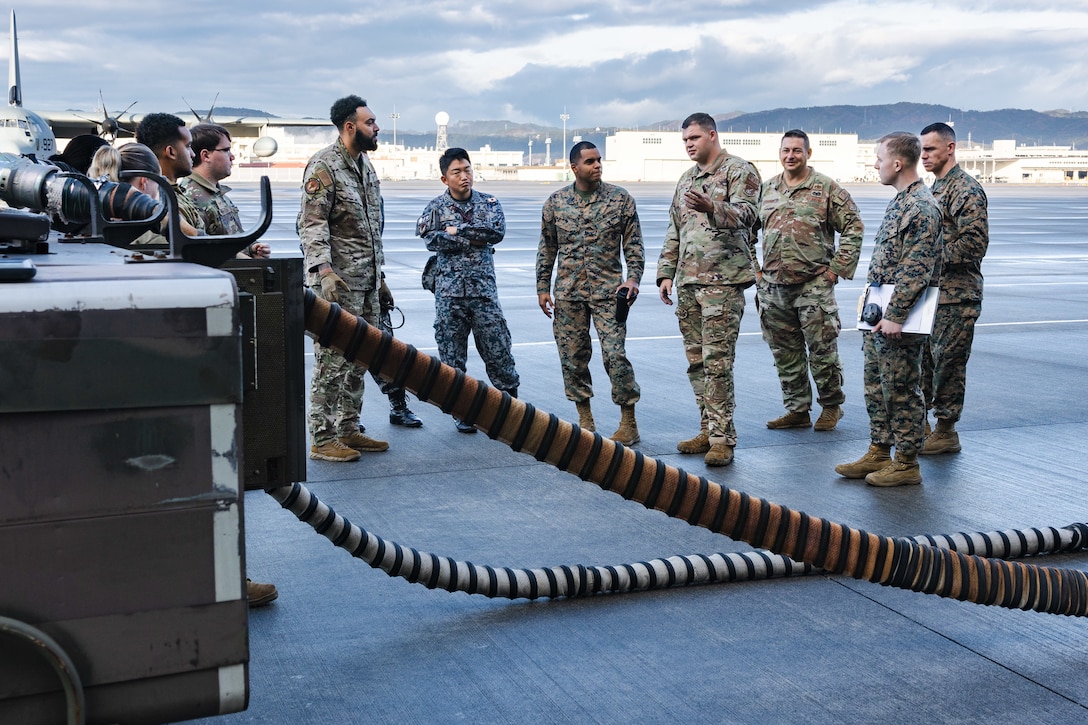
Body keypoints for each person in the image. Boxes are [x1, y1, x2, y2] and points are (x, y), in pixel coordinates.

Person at [835, 132, 942, 487]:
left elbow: (917, 268)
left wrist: (896, 315)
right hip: (880, 315)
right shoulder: (901, 201)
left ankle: (907, 462)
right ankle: (880, 450)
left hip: (899, 318)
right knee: (876, 386)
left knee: (900, 387)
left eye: (878, 158)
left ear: (897, 163)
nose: (875, 164)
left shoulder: (921, 207)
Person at [657, 112, 761, 467]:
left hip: (723, 283)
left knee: (718, 363)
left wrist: (712, 206)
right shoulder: (686, 179)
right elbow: (675, 228)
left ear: (712, 136)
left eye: (695, 138)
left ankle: (722, 438)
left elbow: (749, 214)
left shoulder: (738, 170)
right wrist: (665, 273)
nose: (689, 144)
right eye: (685, 140)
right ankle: (706, 427)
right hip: (688, 282)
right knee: (697, 363)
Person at [298, 94, 391, 460]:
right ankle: (322, 438)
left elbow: (369, 228)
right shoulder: (325, 166)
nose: (376, 127)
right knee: (333, 358)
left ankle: (349, 429)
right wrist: (323, 271)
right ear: (350, 127)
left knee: (362, 356)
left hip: (365, 283)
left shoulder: (364, 167)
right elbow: (312, 223)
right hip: (336, 283)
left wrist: (379, 279)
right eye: (370, 123)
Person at [536, 141, 644, 444]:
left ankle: (628, 422)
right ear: (574, 167)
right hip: (569, 293)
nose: (597, 165)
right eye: (590, 162)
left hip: (610, 292)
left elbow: (633, 246)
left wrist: (633, 279)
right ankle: (585, 420)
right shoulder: (556, 203)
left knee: (615, 355)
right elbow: (547, 248)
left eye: (599, 160)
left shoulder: (620, 200)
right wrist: (542, 287)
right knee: (572, 357)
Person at [756, 129, 863, 432]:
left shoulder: (826, 188)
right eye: (786, 150)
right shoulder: (766, 190)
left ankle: (831, 406)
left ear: (808, 153)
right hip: (774, 288)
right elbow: (744, 230)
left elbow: (854, 225)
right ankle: (797, 409)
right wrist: (755, 270)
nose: (791, 156)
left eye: (797, 151)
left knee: (822, 350)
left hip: (813, 285)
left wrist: (836, 270)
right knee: (785, 353)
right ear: (780, 153)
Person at [417, 147, 519, 432]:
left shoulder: (489, 202)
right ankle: (462, 411)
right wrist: (472, 238)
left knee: (498, 350)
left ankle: (511, 407)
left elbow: (495, 233)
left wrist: (456, 231)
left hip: (484, 294)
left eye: (467, 170)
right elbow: (431, 240)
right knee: (452, 358)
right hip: (449, 295)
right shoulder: (435, 207)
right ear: (444, 178)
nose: (464, 176)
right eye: (456, 172)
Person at [919, 122, 989, 455]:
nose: (924, 155)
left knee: (948, 364)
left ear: (950, 148)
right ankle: (925, 426)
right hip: (931, 295)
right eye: (922, 149)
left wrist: (929, 259)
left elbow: (975, 243)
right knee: (925, 365)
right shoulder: (934, 189)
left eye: (931, 149)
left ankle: (946, 430)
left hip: (956, 297)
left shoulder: (965, 189)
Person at [179, 122, 269, 258]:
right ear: (206, 156)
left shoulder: (215, 193)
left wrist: (251, 248)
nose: (232, 157)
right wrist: (245, 259)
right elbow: (204, 249)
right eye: (226, 150)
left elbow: (230, 235)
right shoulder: (191, 197)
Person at [135, 112, 204, 238]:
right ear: (171, 152)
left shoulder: (170, 195)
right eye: (188, 146)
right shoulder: (166, 203)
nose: (193, 154)